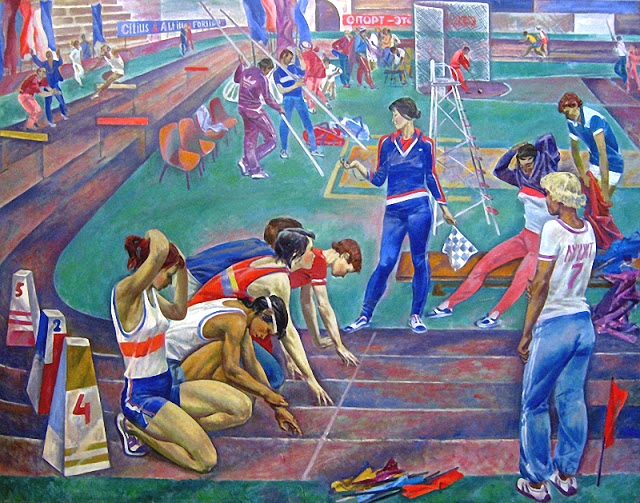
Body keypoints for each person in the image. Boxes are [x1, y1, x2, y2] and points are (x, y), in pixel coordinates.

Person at [112, 229, 235, 472]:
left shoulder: (151, 296)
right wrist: (153, 234)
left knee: (240, 409)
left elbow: (179, 311)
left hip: (166, 388)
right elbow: (158, 249)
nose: (169, 282)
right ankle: (133, 427)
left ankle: (178, 431)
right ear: (153, 268)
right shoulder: (126, 293)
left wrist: (181, 268)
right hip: (141, 397)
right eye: (168, 275)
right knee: (206, 461)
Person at [343, 97, 456, 334]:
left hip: (419, 209)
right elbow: (379, 179)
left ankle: (416, 315)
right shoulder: (386, 143)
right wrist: (358, 167)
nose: (393, 119)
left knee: (419, 260)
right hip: (393, 211)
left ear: (408, 116)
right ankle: (364, 315)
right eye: (393, 114)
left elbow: (431, 177)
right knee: (385, 262)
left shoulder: (425, 144)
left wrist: (443, 206)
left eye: (396, 114)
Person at [515, 172, 596, 502]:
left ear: (560, 199)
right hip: (583, 323)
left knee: (534, 404)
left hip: (554, 325)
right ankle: (566, 473)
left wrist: (526, 333)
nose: (546, 200)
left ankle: (535, 480)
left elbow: (543, 283)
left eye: (549, 195)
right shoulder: (587, 229)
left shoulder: (552, 228)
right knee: (572, 400)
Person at [188, 228, 334, 405]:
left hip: (208, 312)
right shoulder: (279, 280)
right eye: (310, 250)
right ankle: (215, 385)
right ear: (296, 254)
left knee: (263, 361)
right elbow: (288, 333)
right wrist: (311, 380)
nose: (314, 255)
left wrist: (290, 357)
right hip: (208, 320)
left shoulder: (270, 262)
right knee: (273, 377)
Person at [428, 136, 559, 328]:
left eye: (530, 164)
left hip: (542, 242)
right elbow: (499, 171)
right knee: (484, 264)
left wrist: (535, 147)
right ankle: (449, 304)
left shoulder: (549, 177)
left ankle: (494, 315)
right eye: (522, 165)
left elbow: (548, 139)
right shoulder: (520, 177)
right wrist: (513, 151)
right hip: (525, 236)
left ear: (537, 161)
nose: (526, 169)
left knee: (521, 278)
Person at [163, 295, 302, 436]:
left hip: (170, 364)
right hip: (168, 372)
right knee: (222, 353)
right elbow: (231, 371)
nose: (264, 336)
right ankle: (179, 428)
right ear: (265, 314)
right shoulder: (236, 322)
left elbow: (252, 363)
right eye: (267, 330)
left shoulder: (238, 310)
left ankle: (184, 420)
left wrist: (277, 406)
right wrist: (267, 394)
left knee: (248, 390)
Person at [289, 239, 362, 365]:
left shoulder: (315, 258)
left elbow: (306, 302)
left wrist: (317, 339)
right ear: (344, 256)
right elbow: (324, 307)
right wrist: (339, 346)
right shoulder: (317, 260)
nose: (343, 276)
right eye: (347, 270)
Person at [557, 92, 624, 203]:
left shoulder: (593, 119)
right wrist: (583, 175)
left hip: (613, 164)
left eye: (568, 112)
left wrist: (605, 190)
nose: (567, 116)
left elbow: (603, 153)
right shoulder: (571, 121)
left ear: (575, 106)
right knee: (590, 201)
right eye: (565, 114)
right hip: (595, 161)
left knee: (601, 202)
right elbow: (575, 150)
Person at [233, 57, 285, 180]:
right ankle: (248, 162)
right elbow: (268, 99)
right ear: (267, 68)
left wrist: (241, 66)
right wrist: (279, 108)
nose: (268, 73)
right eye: (269, 71)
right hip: (255, 112)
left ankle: (252, 168)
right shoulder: (262, 79)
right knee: (271, 139)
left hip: (242, 109)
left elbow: (236, 79)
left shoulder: (247, 71)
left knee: (250, 140)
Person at [274, 48, 324, 159]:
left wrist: (300, 57)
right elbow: (281, 90)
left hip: (299, 98)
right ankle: (284, 149)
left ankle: (314, 149)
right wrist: (295, 85)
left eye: (292, 58)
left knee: (307, 122)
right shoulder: (277, 73)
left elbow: (303, 69)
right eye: (289, 58)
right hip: (287, 99)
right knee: (285, 124)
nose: (291, 60)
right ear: (283, 57)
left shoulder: (293, 68)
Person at [31, 48, 68, 127]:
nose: (50, 57)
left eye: (50, 55)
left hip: (55, 84)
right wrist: (33, 55)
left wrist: (59, 55)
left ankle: (63, 113)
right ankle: (50, 121)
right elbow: (38, 62)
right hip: (47, 86)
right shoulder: (44, 64)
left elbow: (60, 62)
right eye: (48, 56)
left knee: (61, 101)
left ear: (52, 56)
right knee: (48, 105)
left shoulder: (55, 62)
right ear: (47, 57)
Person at [300, 41, 329, 114]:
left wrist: (305, 77)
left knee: (307, 91)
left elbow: (308, 66)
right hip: (320, 74)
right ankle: (326, 102)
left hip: (312, 75)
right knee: (316, 89)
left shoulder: (305, 55)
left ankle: (312, 107)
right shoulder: (313, 53)